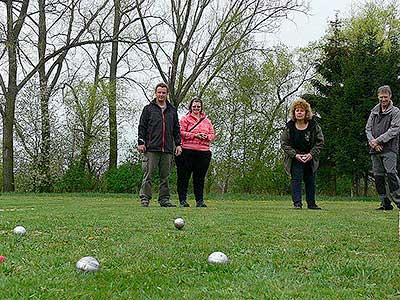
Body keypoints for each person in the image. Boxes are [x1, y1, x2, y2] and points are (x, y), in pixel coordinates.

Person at [137, 83, 182, 207]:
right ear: (156, 93)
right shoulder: (148, 109)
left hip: (167, 149)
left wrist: (178, 144)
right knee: (148, 175)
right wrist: (141, 142)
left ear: (167, 94)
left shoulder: (172, 110)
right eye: (159, 92)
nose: (161, 95)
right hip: (151, 148)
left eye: (164, 92)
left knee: (165, 177)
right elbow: (142, 126)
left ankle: (164, 199)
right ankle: (145, 199)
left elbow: (176, 129)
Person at [281, 98, 324, 209]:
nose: (299, 112)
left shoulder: (314, 126)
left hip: (310, 158)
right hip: (295, 158)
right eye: (297, 110)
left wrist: (311, 154)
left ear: (306, 113)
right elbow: (284, 143)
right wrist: (295, 155)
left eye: (301, 110)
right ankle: (297, 204)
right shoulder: (289, 127)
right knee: (296, 180)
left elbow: (320, 142)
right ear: (294, 113)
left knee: (310, 180)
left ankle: (311, 204)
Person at [175, 97, 215, 207]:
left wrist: (206, 136)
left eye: (198, 106)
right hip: (187, 151)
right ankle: (183, 200)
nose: (196, 108)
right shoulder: (185, 119)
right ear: (190, 107)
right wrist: (194, 135)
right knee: (184, 177)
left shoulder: (207, 121)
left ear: (201, 107)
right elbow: (180, 132)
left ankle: (199, 201)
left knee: (199, 178)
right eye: (194, 106)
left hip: (203, 152)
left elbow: (212, 134)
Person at [366, 85, 400, 210]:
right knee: (378, 177)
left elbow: (394, 130)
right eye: (381, 97)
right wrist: (373, 142)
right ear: (378, 97)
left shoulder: (396, 112)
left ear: (390, 96)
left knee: (391, 175)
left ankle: (398, 200)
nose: (383, 99)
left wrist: (378, 140)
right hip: (374, 149)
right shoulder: (373, 112)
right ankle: (384, 203)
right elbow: (368, 128)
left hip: (389, 149)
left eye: (385, 97)